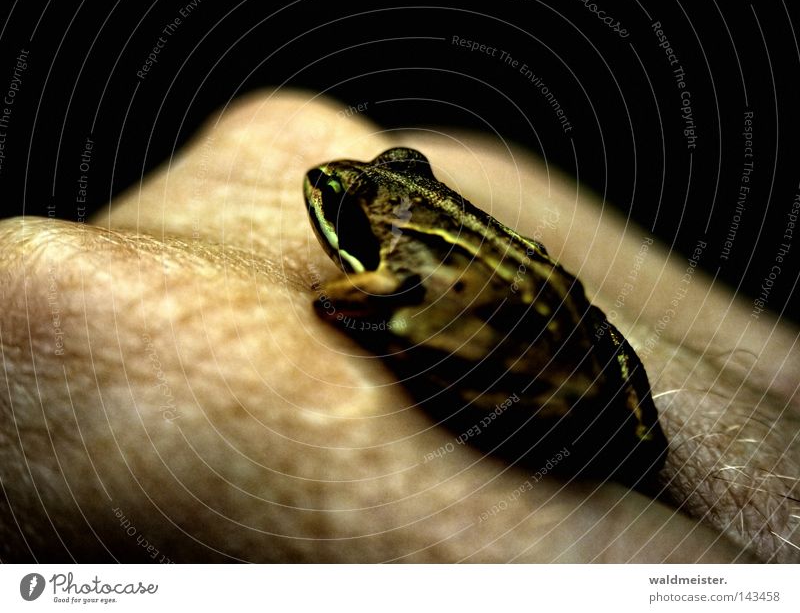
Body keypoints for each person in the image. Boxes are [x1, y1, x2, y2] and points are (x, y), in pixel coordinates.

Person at [1, 90, 797, 562]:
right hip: (598, 371)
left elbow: (350, 304)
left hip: (538, 384)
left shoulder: (388, 272)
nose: (328, 191)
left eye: (349, 212)